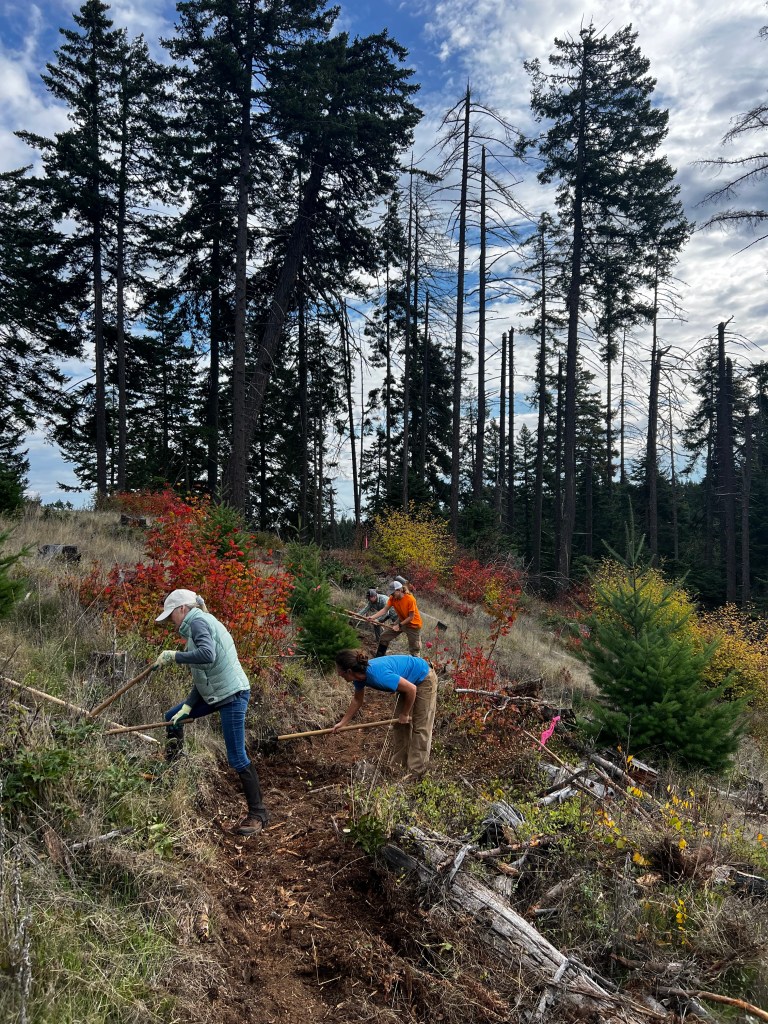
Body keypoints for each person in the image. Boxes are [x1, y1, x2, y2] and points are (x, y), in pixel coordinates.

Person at [153, 588, 267, 838]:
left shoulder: (198, 623)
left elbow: (207, 655)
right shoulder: (198, 623)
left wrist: (174, 656)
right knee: (172, 718)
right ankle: (173, 775)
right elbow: (205, 674)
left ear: (182, 609)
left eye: (171, 615)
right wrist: (188, 706)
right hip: (216, 692)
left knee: (236, 757)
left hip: (232, 696)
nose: (171, 621)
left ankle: (258, 814)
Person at [334, 649, 438, 775]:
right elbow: (357, 700)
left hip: (424, 677)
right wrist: (343, 723)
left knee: (421, 727)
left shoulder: (378, 676)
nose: (338, 674)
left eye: (340, 671)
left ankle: (416, 772)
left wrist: (405, 713)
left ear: (349, 671)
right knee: (400, 725)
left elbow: (411, 689)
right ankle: (398, 768)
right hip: (408, 683)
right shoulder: (358, 678)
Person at [368, 580, 423, 657]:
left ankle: (416, 662)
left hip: (413, 625)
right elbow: (385, 610)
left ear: (399, 590)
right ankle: (379, 657)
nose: (392, 595)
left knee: (414, 649)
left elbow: (411, 617)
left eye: (393, 593)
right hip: (401, 620)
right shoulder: (392, 598)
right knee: (384, 637)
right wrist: (372, 617)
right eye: (391, 593)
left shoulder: (410, 599)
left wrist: (399, 625)